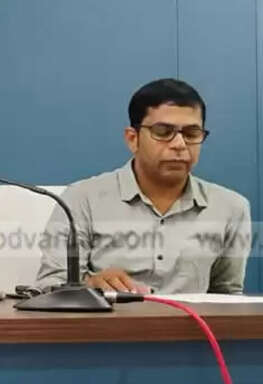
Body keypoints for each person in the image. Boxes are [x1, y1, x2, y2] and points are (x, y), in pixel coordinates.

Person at [37, 78, 250, 294]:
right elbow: (49, 285)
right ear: (133, 138)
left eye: (191, 134)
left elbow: (227, 296)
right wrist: (91, 285)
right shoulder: (82, 198)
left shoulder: (231, 207)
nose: (179, 144)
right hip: (110, 316)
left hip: (191, 318)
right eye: (163, 132)